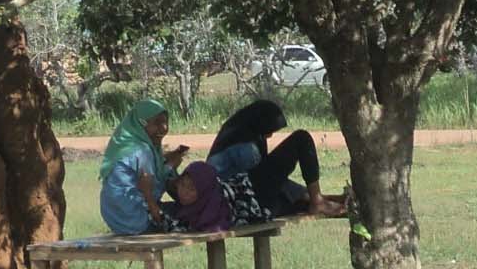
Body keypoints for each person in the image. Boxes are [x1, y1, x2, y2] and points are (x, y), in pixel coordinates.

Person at [207, 99, 344, 217]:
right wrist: (305, 194)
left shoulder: (238, 133)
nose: (271, 135)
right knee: (301, 138)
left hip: (242, 200)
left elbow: (267, 179)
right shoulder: (246, 149)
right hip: (240, 201)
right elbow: (261, 181)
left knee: (297, 202)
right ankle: (317, 202)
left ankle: (321, 200)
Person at [98, 99, 188, 235]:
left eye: (165, 122)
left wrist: (165, 160)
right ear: (140, 123)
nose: (163, 128)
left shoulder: (124, 144)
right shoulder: (142, 150)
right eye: (157, 123)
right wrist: (170, 166)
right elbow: (147, 188)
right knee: (191, 212)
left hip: (115, 219)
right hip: (136, 219)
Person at [164, 160, 275, 234]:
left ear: (204, 192)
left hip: (259, 195)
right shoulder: (181, 208)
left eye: (192, 189)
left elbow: (213, 226)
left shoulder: (215, 209)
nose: (184, 192)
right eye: (182, 185)